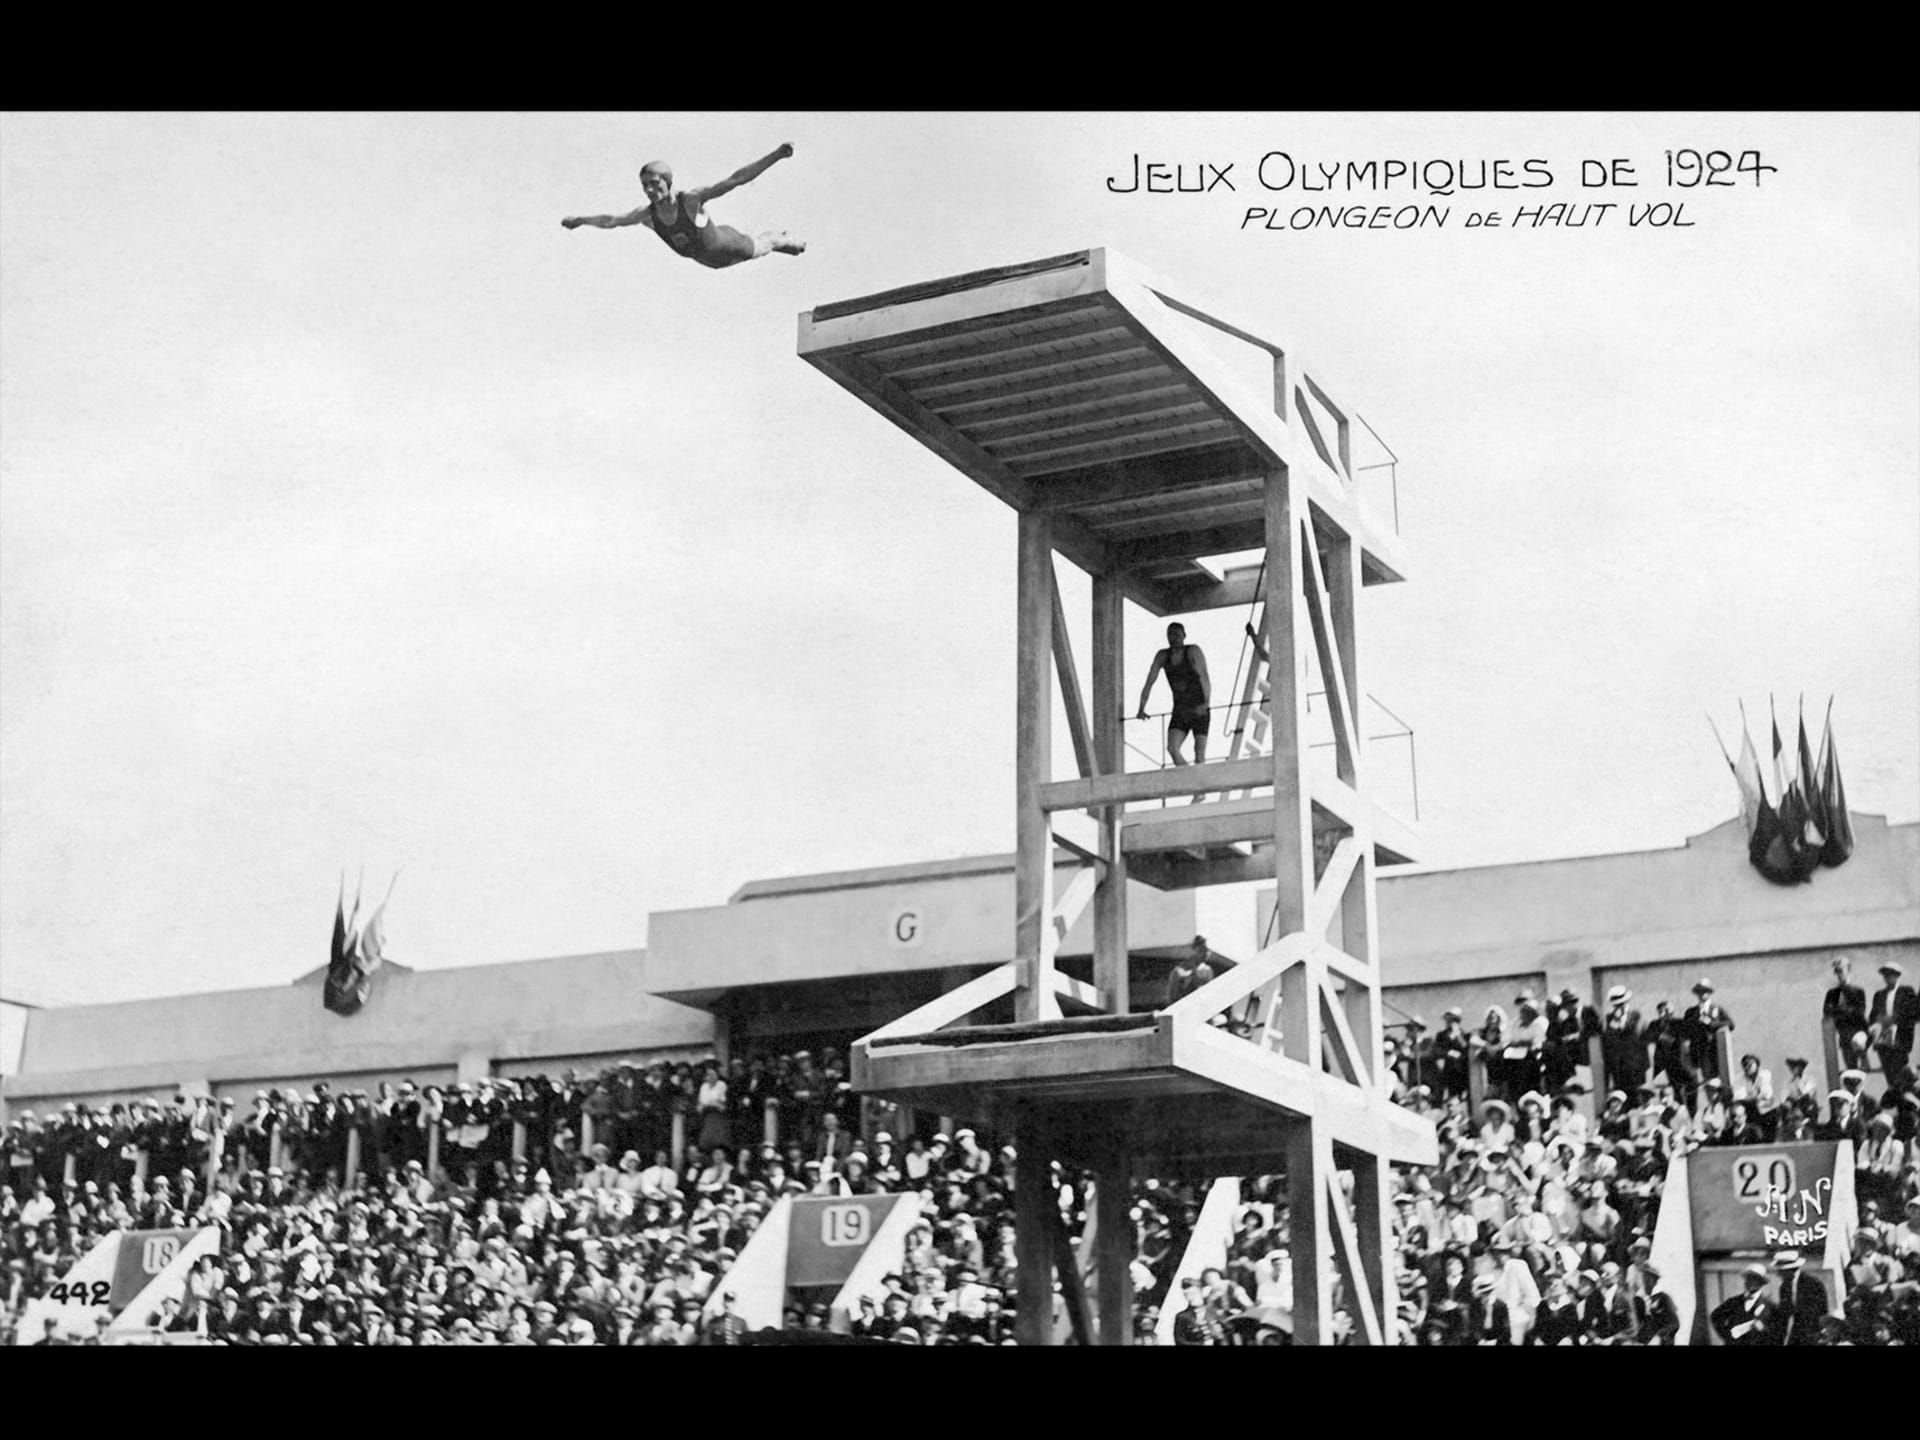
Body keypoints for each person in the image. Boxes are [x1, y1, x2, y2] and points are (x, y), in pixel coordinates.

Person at [561, 146, 805, 268]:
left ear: (668, 182)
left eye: (654, 184)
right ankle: (778, 240)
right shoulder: (647, 215)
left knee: (767, 243)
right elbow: (610, 221)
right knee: (762, 247)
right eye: (644, 186)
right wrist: (580, 220)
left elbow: (737, 180)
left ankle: (784, 239)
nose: (649, 190)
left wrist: (777, 155)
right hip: (709, 263)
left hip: (729, 245)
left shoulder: (690, 200)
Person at [1136, 622, 1212, 770]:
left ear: (1184, 635)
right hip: (1180, 709)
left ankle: (1199, 792)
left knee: (1199, 754)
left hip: (1199, 708)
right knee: (1172, 748)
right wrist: (1141, 708)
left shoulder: (1193, 651)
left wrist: (1206, 703)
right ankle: (1193, 780)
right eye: (1170, 634)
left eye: (1177, 634)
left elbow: (1204, 676)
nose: (1174, 638)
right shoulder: (1163, 656)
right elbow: (1150, 681)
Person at [1768, 1250, 1828, 1347]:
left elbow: (1822, 1311)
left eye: (1780, 1271)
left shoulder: (1813, 1284)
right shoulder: (1784, 1287)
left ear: (1790, 1270)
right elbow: (1785, 1314)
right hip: (1797, 1333)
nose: (1778, 1274)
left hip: (1814, 1333)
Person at [1710, 1263, 1775, 1347]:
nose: (1750, 1282)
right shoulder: (1733, 1302)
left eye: (1754, 1278)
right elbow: (1715, 1316)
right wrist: (1727, 1336)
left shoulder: (1770, 1305)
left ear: (1761, 1282)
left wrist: (1763, 1329)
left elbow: (1776, 1332)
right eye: (1748, 1278)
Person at [1824, 956, 1871, 1071]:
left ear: (1848, 971)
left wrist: (1839, 1010)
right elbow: (1826, 1011)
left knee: (1858, 1043)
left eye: (1841, 971)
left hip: (1858, 1032)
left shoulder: (1857, 991)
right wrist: (1843, 1011)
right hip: (1844, 1035)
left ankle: (1864, 1058)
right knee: (1851, 1070)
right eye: (1837, 972)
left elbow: (1859, 1012)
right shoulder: (1832, 993)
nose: (1839, 975)